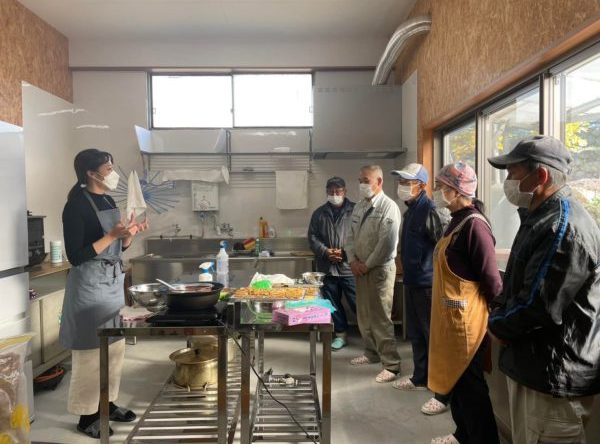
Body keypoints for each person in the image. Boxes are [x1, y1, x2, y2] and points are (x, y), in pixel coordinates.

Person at [487, 135, 600, 444]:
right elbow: (516, 283)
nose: (508, 180)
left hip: (552, 374)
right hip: (535, 366)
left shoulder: (562, 226)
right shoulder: (539, 217)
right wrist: (498, 308)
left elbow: (539, 306)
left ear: (541, 175)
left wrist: (496, 324)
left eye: (513, 172)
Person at [60, 149, 148, 438]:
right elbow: (76, 255)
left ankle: (107, 404)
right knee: (89, 351)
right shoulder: (75, 206)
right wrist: (112, 235)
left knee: (114, 346)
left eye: (112, 166)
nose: (113, 173)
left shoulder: (108, 200)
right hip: (88, 285)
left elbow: (116, 248)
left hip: (110, 282)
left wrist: (130, 233)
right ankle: (87, 416)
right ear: (91, 173)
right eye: (108, 168)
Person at [428, 162, 501, 444]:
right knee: (455, 384)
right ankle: (463, 435)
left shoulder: (475, 227)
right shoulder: (454, 220)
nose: (436, 191)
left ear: (456, 190)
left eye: (440, 186)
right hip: (450, 321)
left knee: (471, 388)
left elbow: (492, 280)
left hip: (468, 325)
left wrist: (499, 321)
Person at [390, 163, 451, 416]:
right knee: (416, 333)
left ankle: (441, 390)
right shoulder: (410, 210)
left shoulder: (431, 209)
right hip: (413, 282)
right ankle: (420, 376)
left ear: (421, 185)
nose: (403, 186)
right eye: (401, 181)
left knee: (432, 336)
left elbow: (445, 247)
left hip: (428, 284)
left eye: (407, 182)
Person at [345, 165, 402, 383]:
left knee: (380, 317)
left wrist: (366, 265)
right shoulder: (359, 206)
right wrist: (352, 260)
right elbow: (349, 236)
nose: (362, 184)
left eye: (366, 180)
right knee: (364, 314)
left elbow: (386, 244)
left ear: (379, 181)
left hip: (379, 270)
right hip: (360, 268)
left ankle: (392, 364)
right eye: (360, 180)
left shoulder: (389, 207)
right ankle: (371, 353)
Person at [308, 177, 357, 350]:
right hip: (327, 267)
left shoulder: (356, 210)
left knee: (357, 302)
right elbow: (312, 237)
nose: (334, 195)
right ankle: (341, 334)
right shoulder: (319, 213)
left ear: (345, 191)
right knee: (332, 304)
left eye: (338, 191)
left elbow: (362, 236)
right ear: (326, 192)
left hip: (350, 267)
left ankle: (370, 337)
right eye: (331, 192)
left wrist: (345, 253)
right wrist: (325, 251)